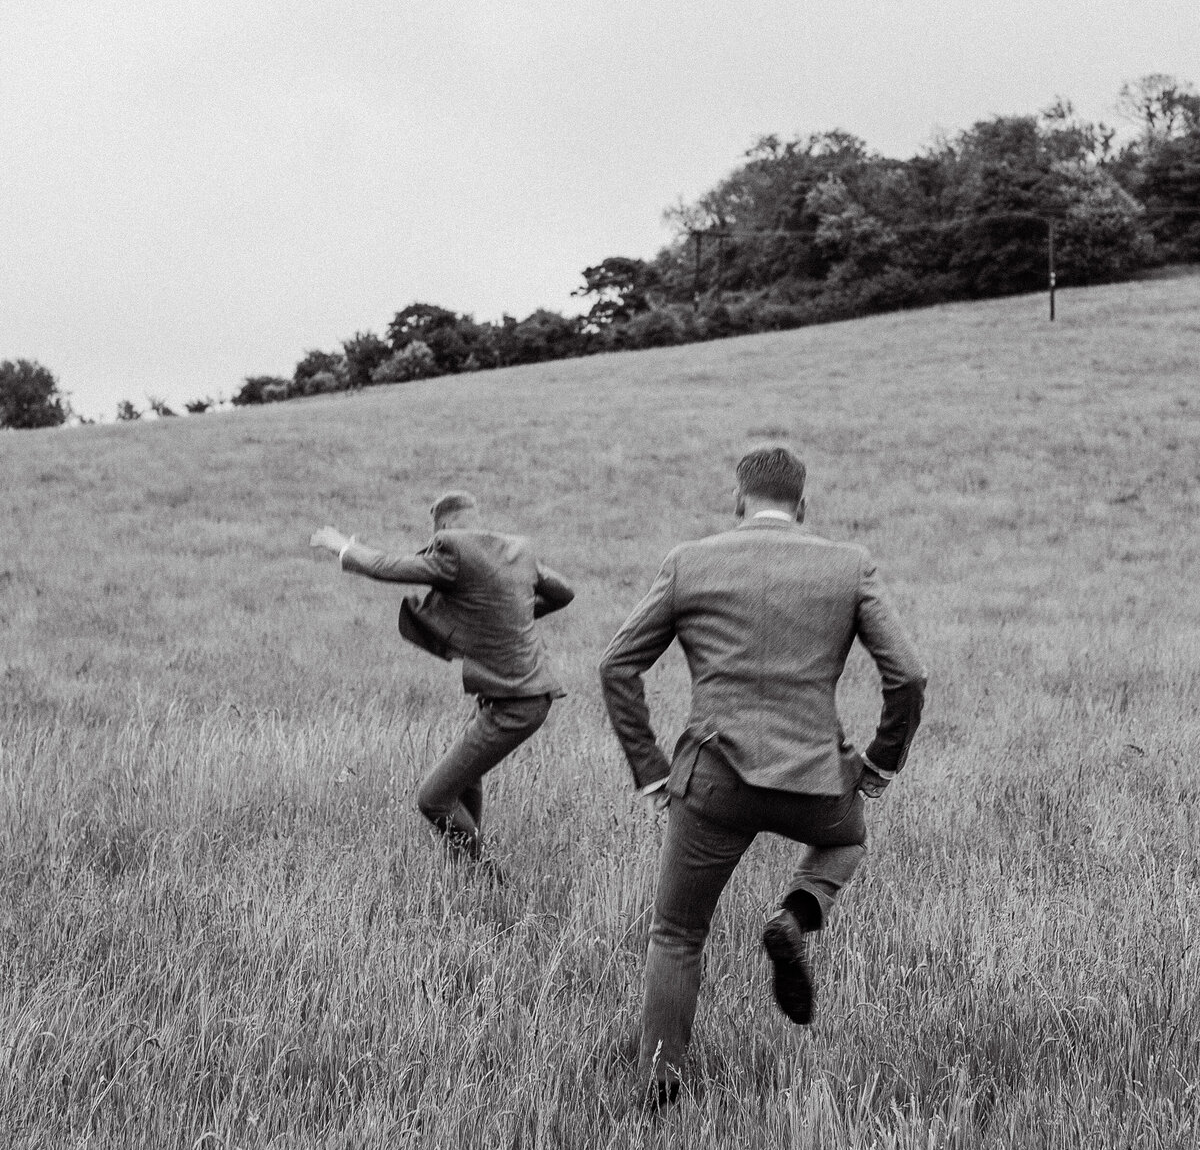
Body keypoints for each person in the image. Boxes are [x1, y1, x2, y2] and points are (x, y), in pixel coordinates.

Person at [599, 441, 926, 1106]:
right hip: (817, 784)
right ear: (803, 506)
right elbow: (909, 676)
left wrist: (652, 771)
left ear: (736, 500)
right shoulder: (848, 566)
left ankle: (660, 1081)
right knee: (845, 840)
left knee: (678, 933)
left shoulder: (690, 563)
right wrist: (880, 761)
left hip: (713, 782)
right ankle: (795, 915)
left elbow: (617, 666)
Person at [311, 489, 573, 861]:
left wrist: (340, 545)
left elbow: (387, 566)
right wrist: (507, 616)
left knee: (432, 799)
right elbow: (565, 592)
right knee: (465, 781)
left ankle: (488, 877)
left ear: (444, 526)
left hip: (513, 704)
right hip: (524, 695)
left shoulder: (452, 549)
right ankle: (465, 875)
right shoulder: (513, 550)